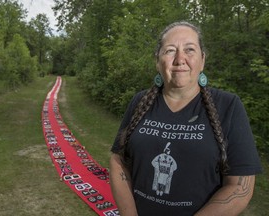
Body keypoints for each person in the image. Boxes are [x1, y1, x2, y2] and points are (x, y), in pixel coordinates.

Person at [109, 21, 262, 216]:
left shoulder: (228, 106)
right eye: (170, 51)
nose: (180, 59)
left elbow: (240, 187)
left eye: (190, 49)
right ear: (157, 61)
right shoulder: (139, 101)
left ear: (202, 60)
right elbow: (118, 160)